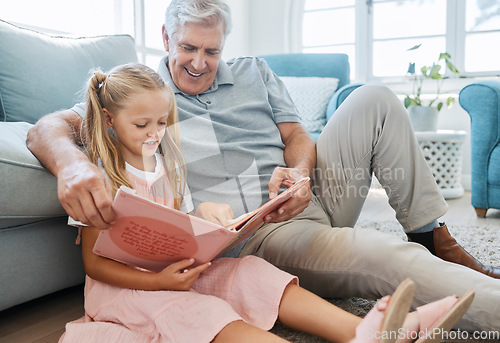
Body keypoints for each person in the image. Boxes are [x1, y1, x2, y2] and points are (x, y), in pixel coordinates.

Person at [26, 0, 499, 332]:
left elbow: (297, 136)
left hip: (304, 194)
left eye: (212, 51)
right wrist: (70, 165)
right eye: (188, 48)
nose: (199, 63)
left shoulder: (256, 71)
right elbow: (46, 128)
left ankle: (432, 235)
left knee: (372, 97)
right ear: (166, 37)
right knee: (382, 254)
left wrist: (300, 175)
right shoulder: (141, 97)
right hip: (264, 231)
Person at [64, 62, 472, 343]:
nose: (154, 133)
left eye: (161, 122)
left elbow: (176, 222)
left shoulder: (167, 162)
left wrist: (204, 218)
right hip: (129, 289)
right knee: (204, 314)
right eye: (142, 125)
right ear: (109, 118)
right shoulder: (100, 177)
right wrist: (160, 282)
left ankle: (368, 332)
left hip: (175, 269)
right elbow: (95, 265)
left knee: (252, 273)